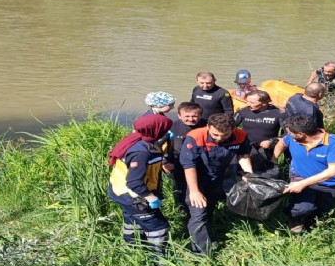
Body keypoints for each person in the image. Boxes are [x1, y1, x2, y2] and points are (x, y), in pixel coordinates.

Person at [180, 113, 253, 255]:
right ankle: (201, 254)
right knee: (198, 213)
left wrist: (249, 176)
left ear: (233, 129)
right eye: (215, 135)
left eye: (225, 135)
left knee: (209, 209)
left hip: (218, 177)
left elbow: (243, 155)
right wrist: (194, 191)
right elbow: (189, 165)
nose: (219, 139)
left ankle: (208, 236)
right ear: (208, 127)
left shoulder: (241, 136)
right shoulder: (195, 136)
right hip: (196, 178)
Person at [107, 114, 173, 256]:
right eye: (165, 129)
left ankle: (133, 249)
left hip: (119, 190)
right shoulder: (141, 152)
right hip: (133, 195)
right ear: (156, 130)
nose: (166, 132)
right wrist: (150, 198)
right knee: (158, 227)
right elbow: (134, 182)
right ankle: (159, 260)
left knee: (133, 220)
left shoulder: (138, 140)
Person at [272, 115, 335, 234]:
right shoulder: (292, 138)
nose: (288, 135)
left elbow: (334, 171)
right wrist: (274, 159)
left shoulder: (333, 143)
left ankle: (314, 227)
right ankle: (295, 223)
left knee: (324, 210)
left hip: (328, 183)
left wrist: (303, 184)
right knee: (302, 208)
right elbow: (282, 143)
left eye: (290, 133)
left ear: (301, 134)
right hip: (300, 176)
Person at [167, 102, 207, 216]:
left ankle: (203, 207)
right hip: (178, 162)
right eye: (187, 116)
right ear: (179, 116)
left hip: (202, 162)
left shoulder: (207, 125)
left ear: (200, 115)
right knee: (180, 187)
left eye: (194, 116)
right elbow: (164, 146)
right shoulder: (172, 126)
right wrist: (166, 162)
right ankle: (181, 208)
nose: (191, 119)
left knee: (203, 185)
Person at [234, 90, 282, 176]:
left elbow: (289, 133)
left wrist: (272, 141)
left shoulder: (278, 113)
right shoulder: (243, 111)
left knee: (265, 174)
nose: (248, 104)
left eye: (252, 102)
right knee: (243, 174)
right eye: (247, 101)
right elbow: (229, 127)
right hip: (246, 148)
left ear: (264, 103)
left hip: (267, 149)